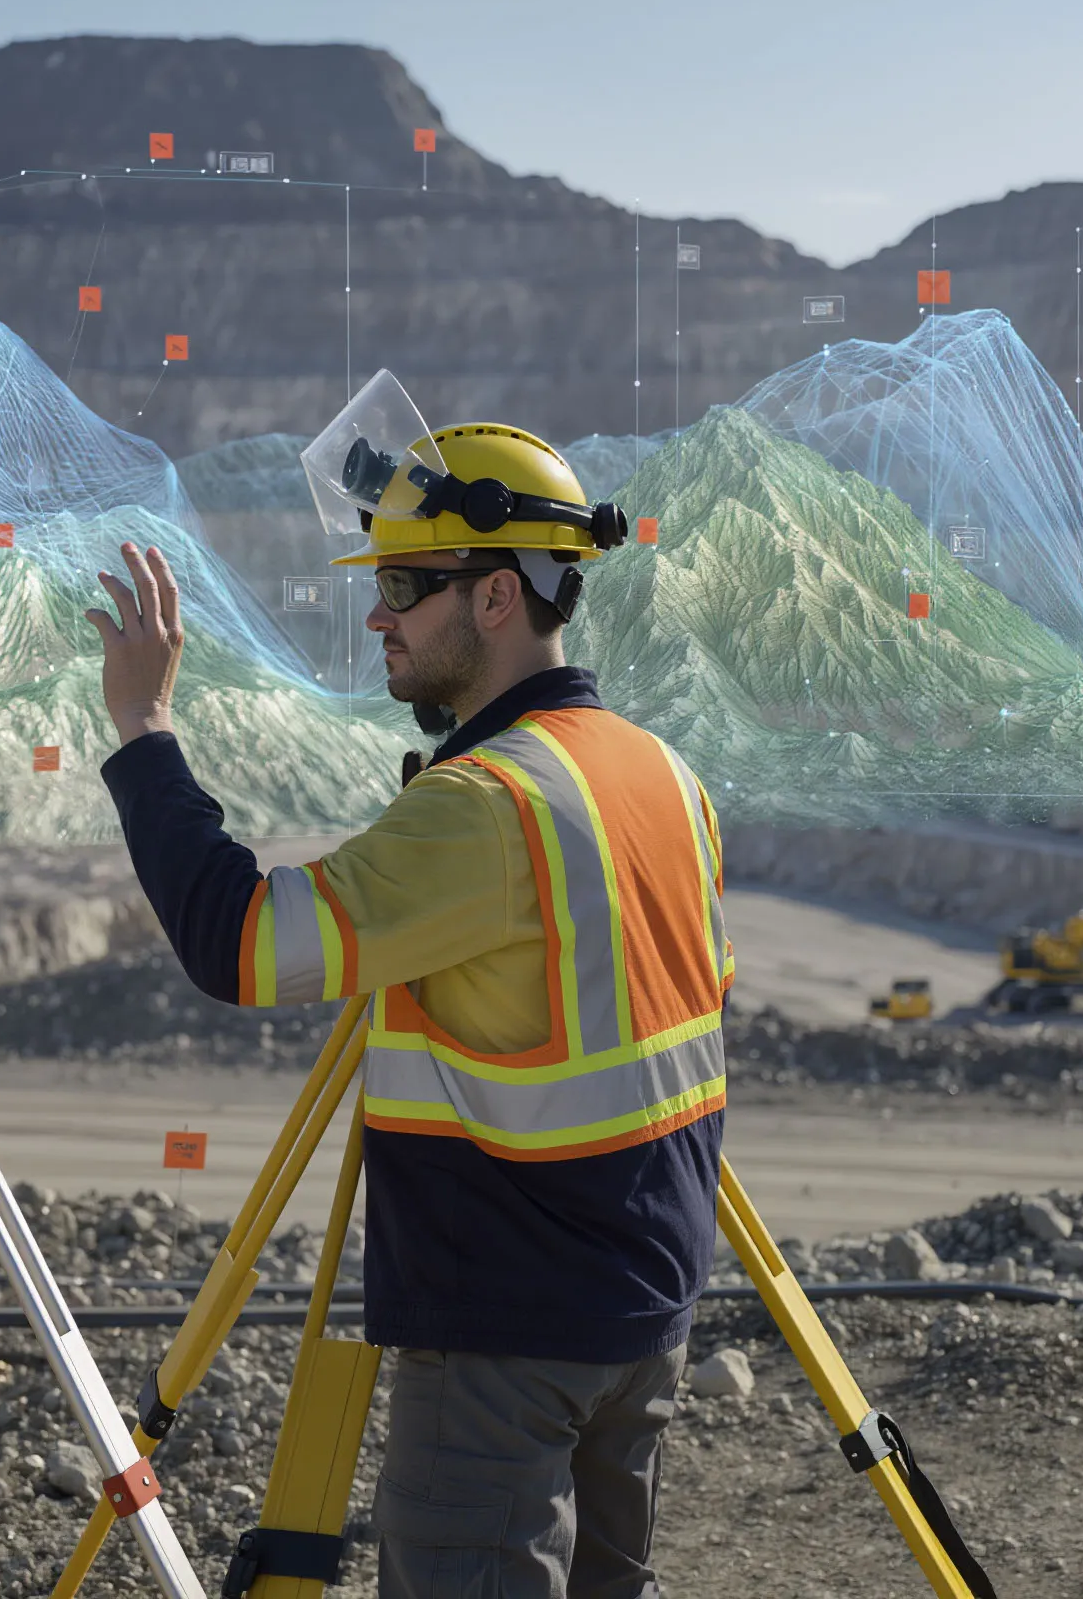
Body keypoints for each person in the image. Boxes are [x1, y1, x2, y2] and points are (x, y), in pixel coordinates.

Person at [86, 398, 732, 1599]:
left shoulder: (486, 803)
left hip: (508, 1331)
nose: (377, 615)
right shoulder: (662, 771)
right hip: (647, 1310)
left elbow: (240, 944)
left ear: (498, 594)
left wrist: (143, 727)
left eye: (405, 584)